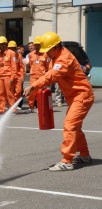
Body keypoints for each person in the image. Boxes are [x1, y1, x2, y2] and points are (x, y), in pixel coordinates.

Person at [23, 31, 94, 171]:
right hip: (75, 97)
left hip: (82, 95)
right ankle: (85, 155)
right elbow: (48, 74)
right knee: (75, 127)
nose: (46, 54)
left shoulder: (64, 59)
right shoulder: (55, 57)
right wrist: (37, 86)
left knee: (70, 125)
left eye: (48, 51)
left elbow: (52, 75)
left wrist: (33, 86)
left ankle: (67, 161)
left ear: (56, 47)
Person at [0, 36, 16, 114]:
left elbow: (14, 66)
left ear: (5, 44)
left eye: (2, 44)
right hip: (0, 77)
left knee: (9, 94)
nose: (0, 46)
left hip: (8, 76)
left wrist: (13, 77)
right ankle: (1, 109)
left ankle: (12, 109)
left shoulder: (11, 53)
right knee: (0, 94)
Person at [27, 36, 50, 113]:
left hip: (42, 76)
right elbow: (30, 64)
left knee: (40, 93)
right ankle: (31, 107)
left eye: (38, 44)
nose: (37, 46)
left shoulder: (45, 54)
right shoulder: (31, 54)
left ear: (41, 45)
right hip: (33, 76)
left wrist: (46, 75)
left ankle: (40, 107)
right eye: (35, 44)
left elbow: (48, 66)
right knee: (31, 93)